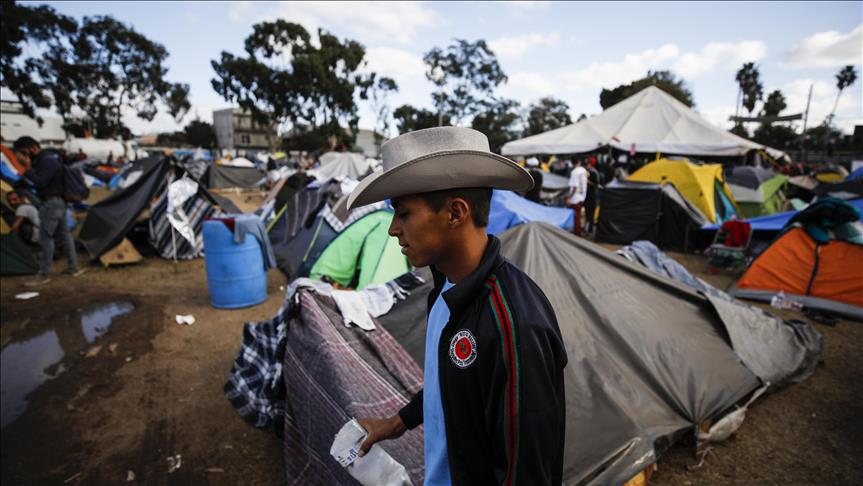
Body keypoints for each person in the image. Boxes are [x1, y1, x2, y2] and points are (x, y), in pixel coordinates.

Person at [349, 127, 568, 485]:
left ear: (455, 213)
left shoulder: (514, 327)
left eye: (403, 214)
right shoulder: (445, 289)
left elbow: (526, 473)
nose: (392, 229)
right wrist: (395, 423)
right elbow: (453, 385)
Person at [14, 136, 78, 286]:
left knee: (46, 237)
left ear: (31, 149)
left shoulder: (47, 161)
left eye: (22, 154)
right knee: (64, 235)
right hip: (57, 202)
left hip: (52, 203)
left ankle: (43, 274)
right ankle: (72, 267)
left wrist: (28, 167)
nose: (22, 158)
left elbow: (41, 183)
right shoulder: (45, 160)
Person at [567, 159, 588, 236]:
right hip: (582, 196)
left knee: (576, 217)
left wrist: (569, 198)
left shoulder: (575, 172)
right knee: (578, 216)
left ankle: (577, 233)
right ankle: (577, 232)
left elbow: (575, 186)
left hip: (575, 197)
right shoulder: (583, 171)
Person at [583, 159, 600, 235]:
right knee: (587, 212)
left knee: (591, 213)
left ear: (590, 164)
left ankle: (590, 229)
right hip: (587, 195)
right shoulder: (586, 172)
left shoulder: (594, 172)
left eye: (587, 165)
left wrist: (587, 182)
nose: (586, 166)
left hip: (593, 195)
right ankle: (587, 228)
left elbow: (596, 184)